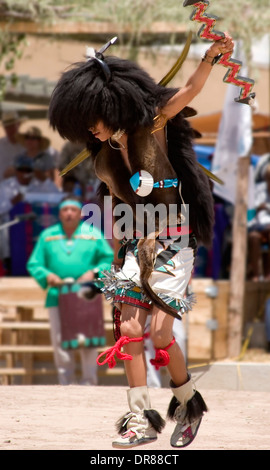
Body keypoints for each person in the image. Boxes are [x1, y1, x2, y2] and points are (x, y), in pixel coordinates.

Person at [48, 33, 234, 448]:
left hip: (173, 241)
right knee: (129, 331)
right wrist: (117, 259)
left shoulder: (152, 125)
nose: (91, 129)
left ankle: (188, 403)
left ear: (108, 105)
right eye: (84, 124)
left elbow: (188, 90)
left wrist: (210, 57)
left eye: (92, 118)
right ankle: (140, 420)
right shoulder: (102, 160)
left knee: (162, 336)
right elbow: (114, 212)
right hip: (134, 246)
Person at [27, 195, 114, 385]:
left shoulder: (93, 234)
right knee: (60, 339)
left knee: (88, 339)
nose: (68, 214)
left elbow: (108, 259)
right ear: (59, 213)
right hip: (57, 295)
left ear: (80, 214)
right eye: (65, 210)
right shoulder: (47, 235)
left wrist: (94, 271)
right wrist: (47, 276)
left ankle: (89, 381)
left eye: (73, 210)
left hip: (86, 296)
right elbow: (35, 263)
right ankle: (65, 381)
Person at [0, 155, 34, 271]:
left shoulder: (38, 185)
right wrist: (14, 201)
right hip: (11, 227)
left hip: (33, 226)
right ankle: (8, 265)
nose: (24, 173)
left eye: (28, 170)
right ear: (16, 170)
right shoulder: (5, 186)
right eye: (21, 169)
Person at [248, 164, 270, 281]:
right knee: (253, 238)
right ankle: (256, 274)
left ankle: (268, 274)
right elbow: (251, 212)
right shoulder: (258, 190)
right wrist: (258, 208)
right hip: (258, 228)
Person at [0, 111, 26, 180]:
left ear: (18, 124)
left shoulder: (29, 143)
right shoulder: (1, 145)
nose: (10, 130)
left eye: (12, 126)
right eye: (7, 127)